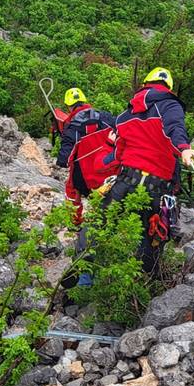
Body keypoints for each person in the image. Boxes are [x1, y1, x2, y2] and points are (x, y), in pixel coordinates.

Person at [102, 67, 194, 275]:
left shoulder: (125, 115)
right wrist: (184, 149)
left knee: (100, 225)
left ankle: (83, 277)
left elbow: (118, 152)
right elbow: (175, 128)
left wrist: (103, 167)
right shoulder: (170, 105)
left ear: (145, 85)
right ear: (168, 88)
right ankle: (145, 283)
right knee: (153, 237)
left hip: (125, 182)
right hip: (156, 188)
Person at [55, 87, 118, 286]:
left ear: (69, 105)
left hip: (85, 175)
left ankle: (77, 223)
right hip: (111, 170)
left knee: (71, 190)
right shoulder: (106, 116)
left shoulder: (73, 123)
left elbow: (64, 159)